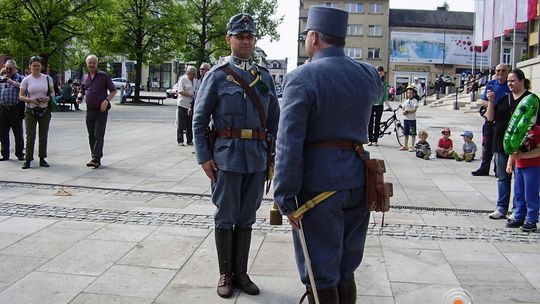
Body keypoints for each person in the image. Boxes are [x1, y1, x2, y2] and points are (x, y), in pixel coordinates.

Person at [273, 6, 382, 303]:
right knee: (346, 267)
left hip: (318, 187)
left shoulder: (302, 77)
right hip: (359, 180)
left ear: (314, 37)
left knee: (320, 270)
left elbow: (288, 143)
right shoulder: (367, 73)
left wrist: (284, 195)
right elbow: (376, 96)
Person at [192, 13, 280, 298]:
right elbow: (199, 118)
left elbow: (275, 119)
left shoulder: (263, 77)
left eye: (249, 37)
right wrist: (204, 156)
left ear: (254, 40)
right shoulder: (217, 76)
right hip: (225, 157)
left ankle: (242, 273)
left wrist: (272, 154)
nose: (245, 41)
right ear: (229, 39)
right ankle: (225, 274)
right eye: (240, 37)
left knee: (247, 217)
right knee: (225, 216)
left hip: (255, 157)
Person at [485, 68, 537, 220]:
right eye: (508, 81)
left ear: (522, 81)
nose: (510, 83)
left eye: (513, 80)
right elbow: (490, 117)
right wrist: (490, 101)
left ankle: (518, 210)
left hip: (522, 147)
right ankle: (501, 207)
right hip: (501, 144)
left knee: (521, 182)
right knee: (503, 177)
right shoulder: (504, 98)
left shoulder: (530, 99)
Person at [77, 54, 117, 169]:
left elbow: (113, 91)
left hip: (101, 111)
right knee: (91, 135)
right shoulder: (85, 77)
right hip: (89, 110)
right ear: (86, 64)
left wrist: (106, 100)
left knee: (98, 134)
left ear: (97, 64)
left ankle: (95, 158)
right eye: (89, 63)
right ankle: (94, 157)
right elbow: (82, 89)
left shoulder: (103, 76)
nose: (91, 65)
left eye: (93, 62)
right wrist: (79, 97)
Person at [472, 64, 510, 176]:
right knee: (487, 144)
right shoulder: (491, 84)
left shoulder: (510, 85)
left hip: (504, 121)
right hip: (490, 119)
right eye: (498, 70)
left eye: (503, 70)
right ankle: (484, 168)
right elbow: (483, 101)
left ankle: (498, 169)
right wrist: (491, 103)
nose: (500, 73)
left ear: (508, 72)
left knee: (500, 146)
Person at [18, 56, 54, 169]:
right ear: (30, 67)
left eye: (38, 65)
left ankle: (42, 158)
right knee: (30, 136)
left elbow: (53, 93)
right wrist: (30, 100)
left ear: (41, 66)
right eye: (34, 66)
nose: (36, 67)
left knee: (43, 135)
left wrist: (48, 97)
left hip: (44, 109)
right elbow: (21, 96)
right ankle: (28, 159)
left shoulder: (47, 78)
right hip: (30, 110)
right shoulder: (26, 80)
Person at [505, 124, 540, 232]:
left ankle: (532, 220)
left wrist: (522, 156)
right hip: (519, 165)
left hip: (533, 166)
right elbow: (512, 147)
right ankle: (519, 216)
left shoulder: (536, 130)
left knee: (530, 194)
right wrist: (510, 162)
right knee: (518, 193)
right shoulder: (518, 128)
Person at [0, 60, 25, 161]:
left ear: (15, 68)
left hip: (15, 108)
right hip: (3, 108)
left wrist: (11, 82)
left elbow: (24, 87)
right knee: (3, 132)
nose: (8, 70)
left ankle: (19, 153)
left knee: (18, 132)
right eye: (7, 68)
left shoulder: (21, 78)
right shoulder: (1, 78)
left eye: (10, 68)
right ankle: (5, 154)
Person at [367, 66, 389, 146]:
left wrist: (389, 106)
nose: (379, 72)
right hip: (372, 104)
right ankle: (370, 140)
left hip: (379, 105)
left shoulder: (384, 82)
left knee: (377, 123)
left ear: (383, 72)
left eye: (381, 71)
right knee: (370, 122)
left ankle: (375, 140)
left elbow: (385, 96)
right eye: (378, 71)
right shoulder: (372, 81)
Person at [176, 66, 196, 146]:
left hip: (191, 105)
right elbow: (180, 91)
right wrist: (191, 95)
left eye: (195, 74)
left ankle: (189, 140)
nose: (194, 75)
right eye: (193, 74)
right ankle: (180, 140)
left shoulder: (195, 81)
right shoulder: (183, 79)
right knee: (181, 123)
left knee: (190, 123)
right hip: (183, 104)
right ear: (189, 73)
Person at [399, 85, 418, 152]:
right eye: (408, 93)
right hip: (406, 119)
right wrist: (404, 112)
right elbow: (403, 109)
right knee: (406, 133)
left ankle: (412, 146)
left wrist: (407, 111)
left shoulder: (415, 101)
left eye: (410, 93)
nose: (409, 94)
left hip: (412, 120)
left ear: (413, 94)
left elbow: (414, 109)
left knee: (412, 133)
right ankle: (405, 145)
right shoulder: (405, 101)